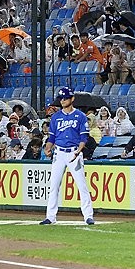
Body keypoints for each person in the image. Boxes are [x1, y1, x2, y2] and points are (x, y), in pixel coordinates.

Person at [41, 87, 95, 225]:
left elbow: (84, 137)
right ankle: (50, 217)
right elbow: (51, 138)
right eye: (61, 98)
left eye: (65, 98)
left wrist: (79, 150)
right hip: (59, 153)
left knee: (81, 185)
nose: (63, 100)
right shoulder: (56, 117)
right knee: (53, 185)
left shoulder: (80, 116)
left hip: (74, 153)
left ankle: (88, 216)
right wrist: (47, 149)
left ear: (72, 99)